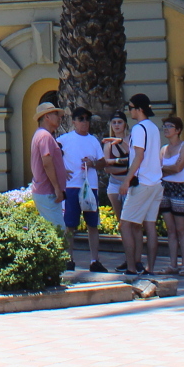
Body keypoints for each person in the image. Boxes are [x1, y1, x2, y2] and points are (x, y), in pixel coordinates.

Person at [56, 106, 108, 273]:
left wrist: (92, 163)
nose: (84, 122)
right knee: (69, 224)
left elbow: (103, 162)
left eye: (87, 119)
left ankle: (94, 260)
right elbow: (51, 154)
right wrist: (62, 171)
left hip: (90, 186)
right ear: (74, 122)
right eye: (81, 119)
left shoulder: (93, 140)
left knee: (92, 224)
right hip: (72, 186)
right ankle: (68, 259)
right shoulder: (65, 139)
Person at [120, 93, 165, 276]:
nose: (129, 111)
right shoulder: (153, 128)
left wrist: (126, 180)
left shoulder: (139, 129)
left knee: (125, 225)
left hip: (143, 183)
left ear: (139, 109)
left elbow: (139, 156)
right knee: (149, 225)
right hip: (156, 183)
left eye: (130, 107)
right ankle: (150, 269)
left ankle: (131, 268)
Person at [159, 115, 184, 276]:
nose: (166, 128)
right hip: (166, 188)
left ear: (178, 130)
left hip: (181, 188)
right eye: (165, 126)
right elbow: (159, 168)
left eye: (170, 126)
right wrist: (167, 169)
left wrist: (164, 169)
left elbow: (178, 167)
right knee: (170, 229)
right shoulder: (163, 149)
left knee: (181, 229)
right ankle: (172, 264)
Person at [28, 99, 66, 232]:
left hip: (44, 192)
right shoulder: (45, 136)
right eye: (56, 114)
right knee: (59, 233)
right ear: (47, 116)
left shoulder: (41, 134)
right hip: (48, 192)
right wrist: (57, 188)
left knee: (54, 231)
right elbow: (47, 163)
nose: (59, 118)